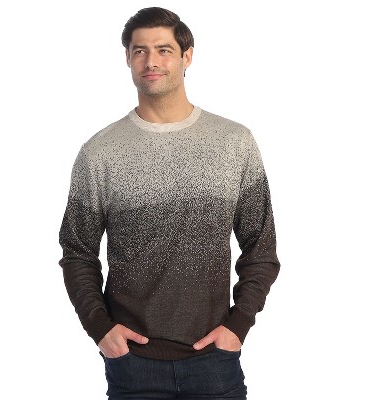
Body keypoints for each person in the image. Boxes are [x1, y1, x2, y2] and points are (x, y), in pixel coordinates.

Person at [58, 6, 280, 400]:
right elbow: (77, 253)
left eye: (164, 50)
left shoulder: (234, 143)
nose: (151, 62)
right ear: (128, 58)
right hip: (132, 366)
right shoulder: (100, 152)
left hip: (215, 360)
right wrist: (100, 329)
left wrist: (239, 325)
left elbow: (260, 248)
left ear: (186, 56)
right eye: (140, 51)